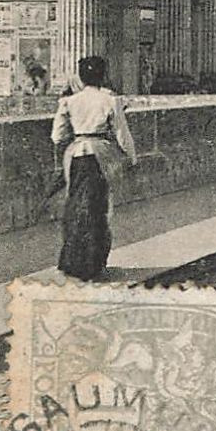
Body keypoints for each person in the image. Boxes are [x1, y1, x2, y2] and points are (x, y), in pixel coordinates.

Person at [51, 55, 137, 281]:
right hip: (100, 155)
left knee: (75, 206)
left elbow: (57, 136)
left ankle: (72, 262)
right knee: (98, 208)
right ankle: (93, 263)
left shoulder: (69, 102)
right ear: (103, 75)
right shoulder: (110, 100)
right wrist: (132, 157)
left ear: (81, 76)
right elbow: (122, 134)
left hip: (76, 154)